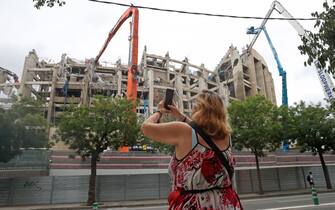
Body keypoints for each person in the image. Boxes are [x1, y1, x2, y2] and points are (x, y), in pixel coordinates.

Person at [141, 90, 243, 210]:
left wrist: (159, 111)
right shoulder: (226, 136)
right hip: (226, 203)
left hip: (194, 205)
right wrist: (179, 115)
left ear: (199, 109)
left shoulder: (184, 131)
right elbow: (201, 133)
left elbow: (145, 128)